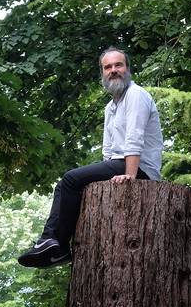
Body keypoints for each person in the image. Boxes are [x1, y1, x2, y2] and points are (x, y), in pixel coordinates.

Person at [17, 47, 163, 268]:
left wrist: (130, 175)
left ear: (128, 69)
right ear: (102, 73)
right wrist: (103, 177)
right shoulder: (110, 107)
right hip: (117, 164)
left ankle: (53, 242)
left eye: (118, 65)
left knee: (70, 180)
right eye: (108, 67)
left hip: (140, 168)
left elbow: (135, 139)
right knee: (72, 186)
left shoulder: (136, 95)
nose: (113, 70)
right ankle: (57, 247)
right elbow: (108, 149)